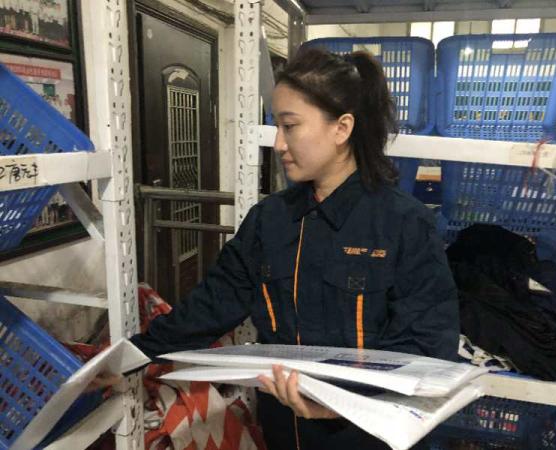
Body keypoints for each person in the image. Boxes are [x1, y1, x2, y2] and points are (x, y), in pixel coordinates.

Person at [129, 47, 459, 450]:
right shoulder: (270, 221)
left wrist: (339, 404)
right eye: (276, 127)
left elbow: (427, 346)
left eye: (290, 126)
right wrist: (133, 357)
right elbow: (212, 303)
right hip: (285, 430)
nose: (278, 143)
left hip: (367, 437)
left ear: (342, 128)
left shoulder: (403, 224)